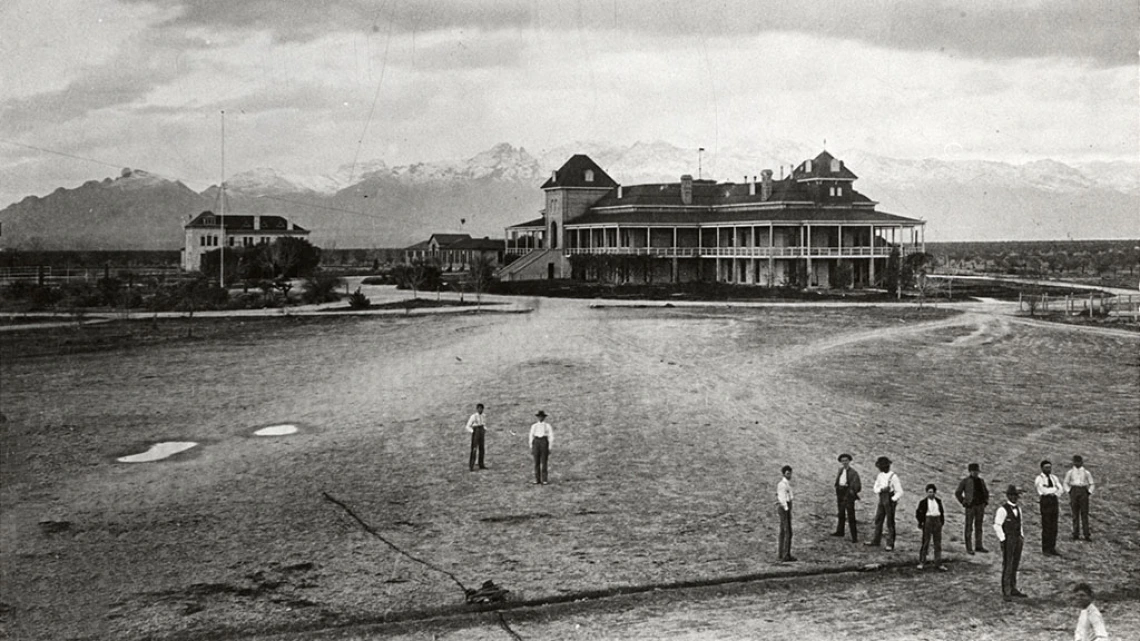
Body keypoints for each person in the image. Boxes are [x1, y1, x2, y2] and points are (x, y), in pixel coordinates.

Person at [993, 485, 1027, 601]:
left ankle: (1013, 587)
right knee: (1008, 565)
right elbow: (997, 525)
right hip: (1008, 539)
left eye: (1016, 496)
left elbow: (1020, 524)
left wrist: (1021, 536)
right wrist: (1003, 539)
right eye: (1012, 496)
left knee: (1015, 564)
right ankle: (1006, 591)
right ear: (1008, 496)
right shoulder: (1002, 510)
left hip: (1017, 539)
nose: (1014, 498)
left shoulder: (1018, 509)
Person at [865, 456, 903, 551]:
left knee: (890, 522)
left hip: (890, 500)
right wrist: (881, 489)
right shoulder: (880, 476)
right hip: (882, 498)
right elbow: (875, 488)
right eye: (881, 467)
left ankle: (890, 543)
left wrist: (893, 499)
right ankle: (876, 540)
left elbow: (900, 492)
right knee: (878, 519)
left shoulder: (893, 477)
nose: (882, 468)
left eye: (884, 466)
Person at [953, 462, 990, 554]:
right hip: (970, 507)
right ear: (970, 471)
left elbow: (986, 492)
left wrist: (985, 502)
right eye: (974, 471)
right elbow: (958, 493)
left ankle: (978, 546)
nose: (975, 473)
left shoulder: (981, 481)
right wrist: (964, 502)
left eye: (977, 471)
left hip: (980, 506)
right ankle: (969, 548)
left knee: (979, 527)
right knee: (969, 527)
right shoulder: (965, 481)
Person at [1035, 459, 1065, 556]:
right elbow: (1043, 490)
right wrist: (1054, 490)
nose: (1048, 469)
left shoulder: (1054, 478)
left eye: (1050, 467)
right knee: (1046, 526)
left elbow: (1061, 489)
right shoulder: (1039, 479)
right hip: (1045, 502)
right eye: (1046, 468)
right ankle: (1045, 549)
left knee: (1054, 526)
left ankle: (1052, 547)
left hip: (1054, 502)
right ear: (1042, 468)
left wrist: (1053, 491)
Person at [915, 483, 947, 571]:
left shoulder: (938, 501)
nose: (930, 494)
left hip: (937, 521)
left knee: (937, 543)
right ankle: (922, 562)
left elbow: (942, 512)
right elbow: (918, 513)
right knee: (925, 542)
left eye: (932, 492)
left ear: (935, 493)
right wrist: (921, 522)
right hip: (928, 520)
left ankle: (938, 563)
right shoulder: (923, 502)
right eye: (929, 492)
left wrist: (941, 522)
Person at [1064, 455, 1096, 541]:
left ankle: (1086, 534)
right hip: (1074, 491)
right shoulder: (1070, 472)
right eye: (1075, 462)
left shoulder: (1086, 472)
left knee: (1084, 513)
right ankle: (1075, 533)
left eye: (1079, 462)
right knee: (1075, 514)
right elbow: (1065, 483)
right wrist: (1069, 491)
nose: (1077, 463)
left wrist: (1089, 492)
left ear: (1082, 462)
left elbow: (1092, 483)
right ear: (1073, 462)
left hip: (1083, 491)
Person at [832, 453, 861, 542]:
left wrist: (851, 491)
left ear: (849, 461)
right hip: (840, 492)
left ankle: (854, 537)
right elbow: (838, 481)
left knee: (851, 515)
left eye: (846, 461)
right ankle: (840, 531)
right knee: (841, 513)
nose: (844, 462)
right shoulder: (840, 470)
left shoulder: (853, 473)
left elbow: (857, 486)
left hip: (848, 494)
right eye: (843, 461)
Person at [777, 465, 796, 562]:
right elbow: (782, 498)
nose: (789, 475)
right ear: (784, 474)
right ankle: (785, 555)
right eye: (788, 473)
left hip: (786, 507)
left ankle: (782, 553)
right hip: (784, 508)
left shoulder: (787, 483)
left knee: (784, 531)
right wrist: (786, 508)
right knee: (788, 532)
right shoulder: (782, 484)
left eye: (790, 473)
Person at [528, 410, 552, 485]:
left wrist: (549, 447)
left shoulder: (547, 426)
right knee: (536, 462)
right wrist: (531, 446)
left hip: (544, 441)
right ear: (537, 417)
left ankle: (544, 479)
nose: (541, 418)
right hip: (536, 441)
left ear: (544, 418)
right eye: (539, 417)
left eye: (542, 417)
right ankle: (537, 479)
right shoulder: (534, 426)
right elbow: (531, 436)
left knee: (544, 461)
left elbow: (551, 436)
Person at [465, 403, 487, 471]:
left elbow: (484, 424)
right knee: (474, 449)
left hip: (481, 431)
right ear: (477, 409)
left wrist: (484, 429)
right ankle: (471, 465)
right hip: (476, 431)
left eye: (481, 409)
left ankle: (481, 464)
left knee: (482, 449)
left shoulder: (484, 416)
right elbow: (467, 426)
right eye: (479, 408)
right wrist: (472, 431)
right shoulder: (473, 416)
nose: (480, 410)